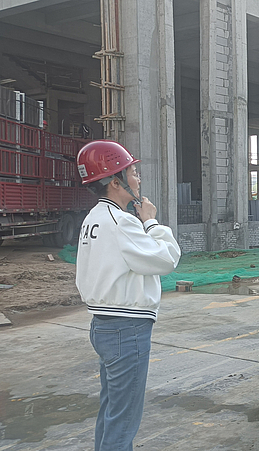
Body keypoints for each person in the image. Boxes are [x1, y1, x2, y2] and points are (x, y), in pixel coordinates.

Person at [75, 140, 181, 451]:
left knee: (112, 411)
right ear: (115, 182)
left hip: (104, 324)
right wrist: (151, 221)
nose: (138, 179)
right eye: (132, 172)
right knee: (123, 420)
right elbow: (166, 259)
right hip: (126, 327)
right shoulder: (121, 222)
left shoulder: (93, 218)